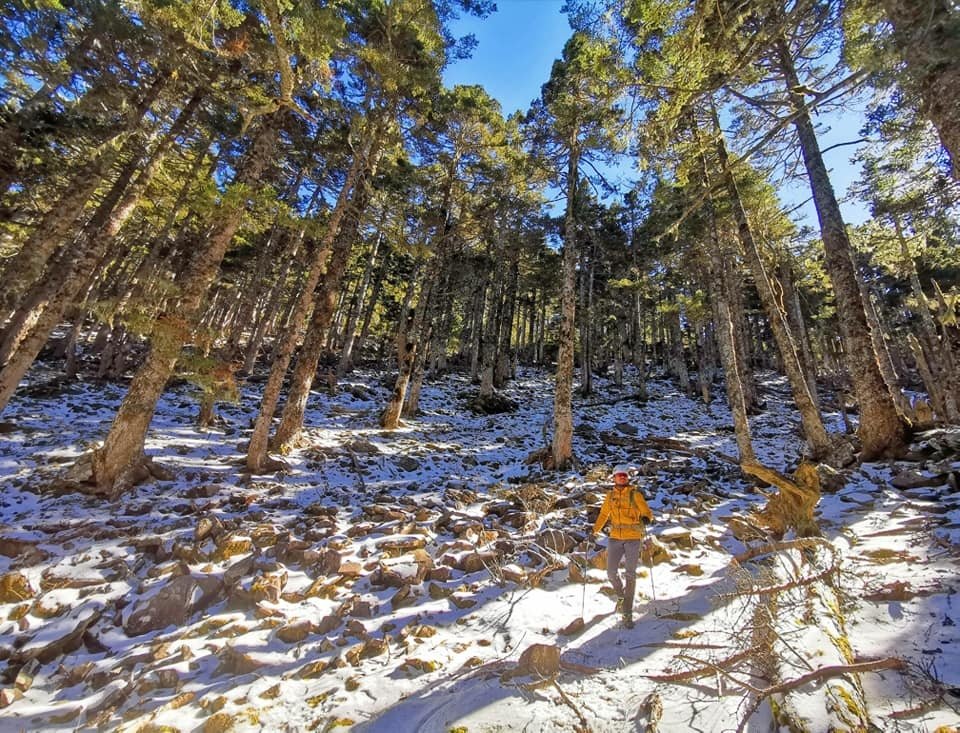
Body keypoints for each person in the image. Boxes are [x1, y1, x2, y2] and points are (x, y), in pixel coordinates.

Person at [592, 464, 654, 628]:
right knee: (611, 573)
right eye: (619, 475)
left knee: (630, 574)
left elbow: (647, 512)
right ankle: (621, 597)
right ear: (614, 478)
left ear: (628, 478)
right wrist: (594, 531)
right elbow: (604, 514)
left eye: (624, 475)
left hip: (633, 537)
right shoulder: (610, 496)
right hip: (615, 537)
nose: (622, 477)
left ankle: (627, 611)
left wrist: (646, 519)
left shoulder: (635, 494)